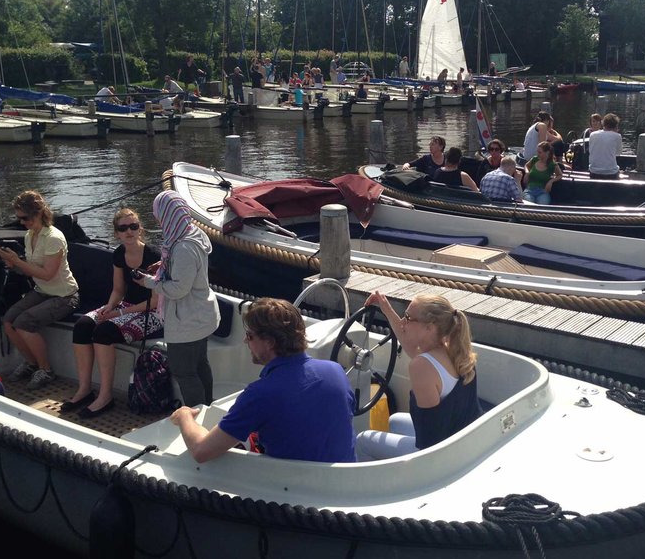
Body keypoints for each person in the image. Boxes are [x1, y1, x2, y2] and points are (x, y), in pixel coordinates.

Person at [169, 298, 356, 463]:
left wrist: (184, 416)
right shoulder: (336, 371)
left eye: (250, 336)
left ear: (270, 342)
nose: (244, 341)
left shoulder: (260, 394)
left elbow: (201, 451)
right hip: (345, 478)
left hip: (293, 492)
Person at [355, 292, 481, 461]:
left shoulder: (421, 366)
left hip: (440, 455)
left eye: (408, 317)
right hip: (466, 440)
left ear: (429, 327)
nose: (403, 322)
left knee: (362, 441)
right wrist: (386, 309)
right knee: (394, 421)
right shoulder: (456, 351)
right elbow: (408, 341)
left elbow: (430, 440)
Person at [63, 209, 162, 418]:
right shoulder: (119, 254)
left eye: (133, 226)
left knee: (104, 332)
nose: (129, 232)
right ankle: (84, 389)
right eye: (123, 228)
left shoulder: (153, 255)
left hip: (152, 312)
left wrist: (119, 313)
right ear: (117, 233)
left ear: (140, 229)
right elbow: (118, 290)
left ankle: (105, 396)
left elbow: (154, 301)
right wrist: (109, 307)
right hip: (127, 304)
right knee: (83, 325)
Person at [135, 190, 220, 407]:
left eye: (158, 214)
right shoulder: (192, 233)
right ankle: (206, 407)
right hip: (201, 315)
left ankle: (196, 416)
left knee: (184, 371)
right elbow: (185, 269)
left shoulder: (182, 247)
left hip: (187, 320)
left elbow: (179, 290)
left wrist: (148, 282)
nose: (157, 218)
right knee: (201, 364)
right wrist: (164, 266)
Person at [0, 191, 80, 390]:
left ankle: (46, 370)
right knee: (8, 321)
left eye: (25, 218)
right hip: (42, 291)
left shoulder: (53, 238)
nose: (22, 222)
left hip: (64, 295)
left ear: (38, 213)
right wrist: (13, 265)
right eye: (18, 218)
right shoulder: (30, 236)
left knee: (24, 323)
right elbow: (32, 271)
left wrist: (18, 261)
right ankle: (31, 363)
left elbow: (47, 274)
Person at [588, 113, 622, 179]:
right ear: (615, 126)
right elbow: (618, 153)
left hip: (594, 172)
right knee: (616, 169)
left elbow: (590, 150)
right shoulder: (617, 136)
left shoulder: (592, 134)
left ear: (603, 124)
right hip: (611, 173)